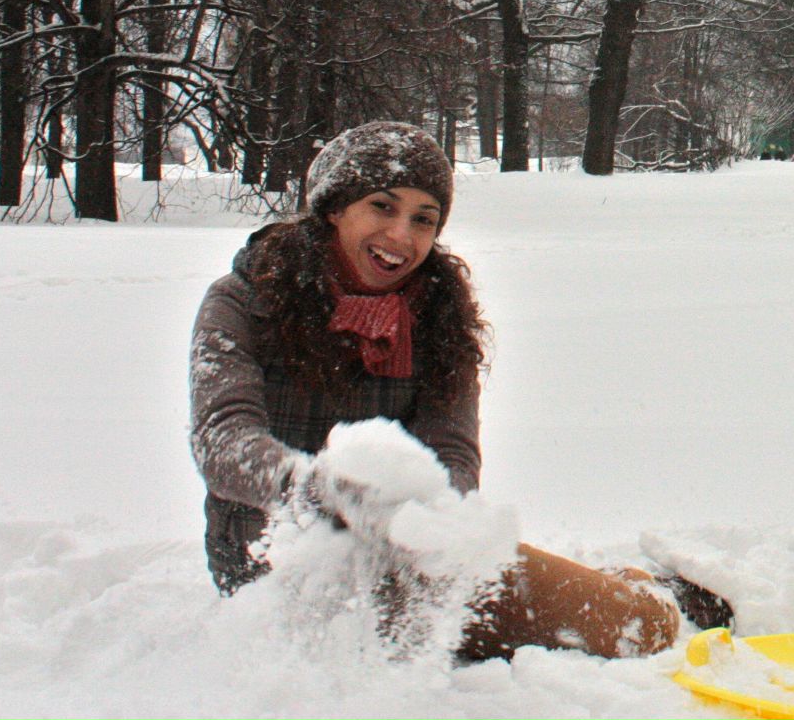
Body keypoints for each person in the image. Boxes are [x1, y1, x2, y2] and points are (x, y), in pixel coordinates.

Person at [190, 121, 732, 661]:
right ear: (335, 207)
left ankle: (647, 595)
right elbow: (221, 441)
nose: (402, 236)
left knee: (635, 627)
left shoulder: (439, 318)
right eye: (383, 206)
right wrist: (319, 491)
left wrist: (423, 519)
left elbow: (454, 454)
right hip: (270, 564)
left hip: (412, 560)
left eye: (423, 220)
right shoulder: (240, 302)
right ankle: (614, 588)